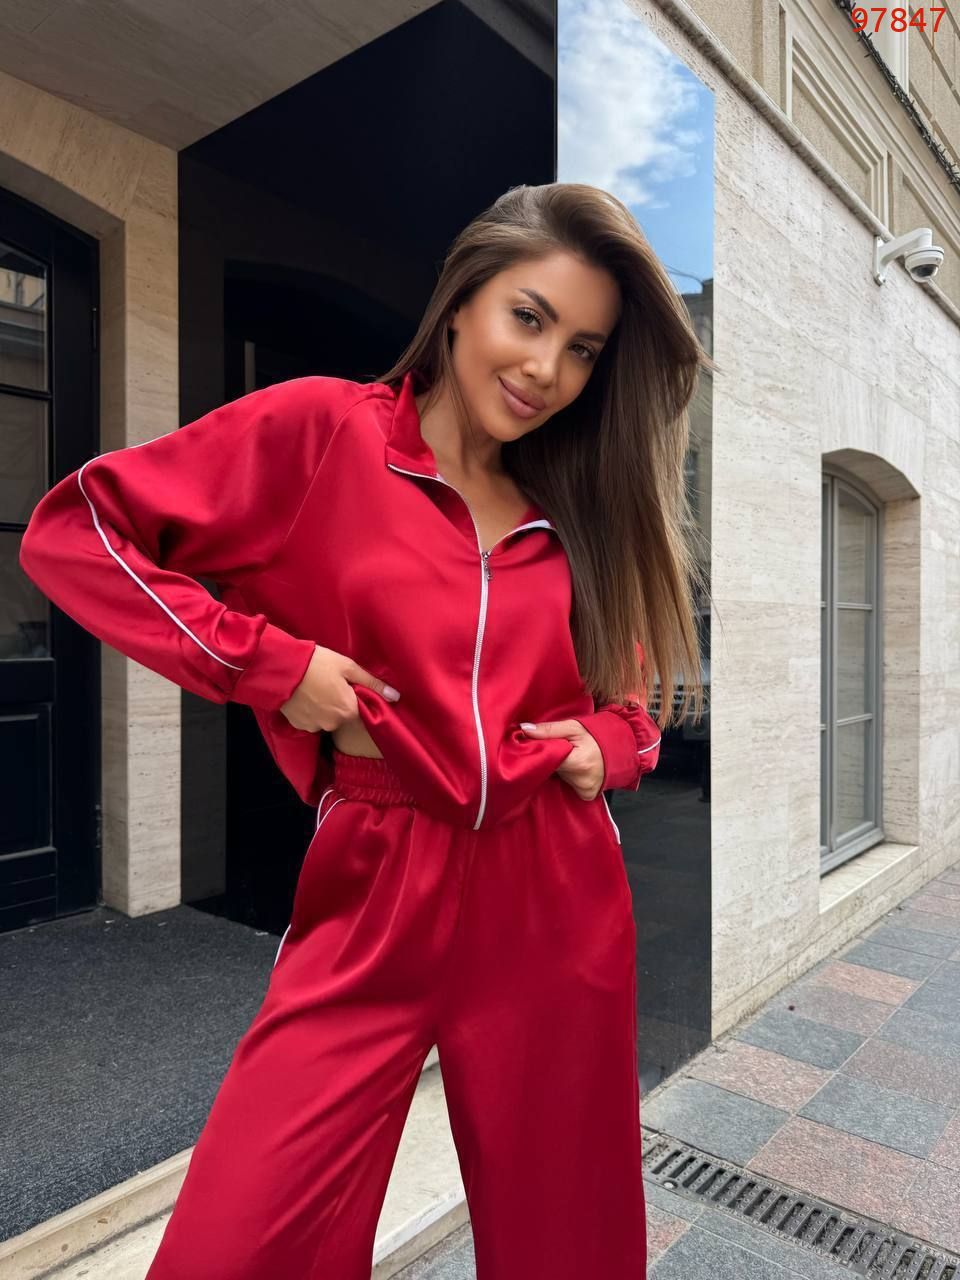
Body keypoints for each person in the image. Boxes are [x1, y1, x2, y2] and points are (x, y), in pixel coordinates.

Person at [19, 181, 711, 1278]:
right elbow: (78, 532)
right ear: (462, 301)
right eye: (528, 318)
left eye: (582, 349)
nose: (546, 368)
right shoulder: (322, 433)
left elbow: (631, 698)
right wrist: (270, 666)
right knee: (239, 1243)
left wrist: (607, 746)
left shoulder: (573, 502)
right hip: (378, 873)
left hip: (553, 886)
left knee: (568, 1244)